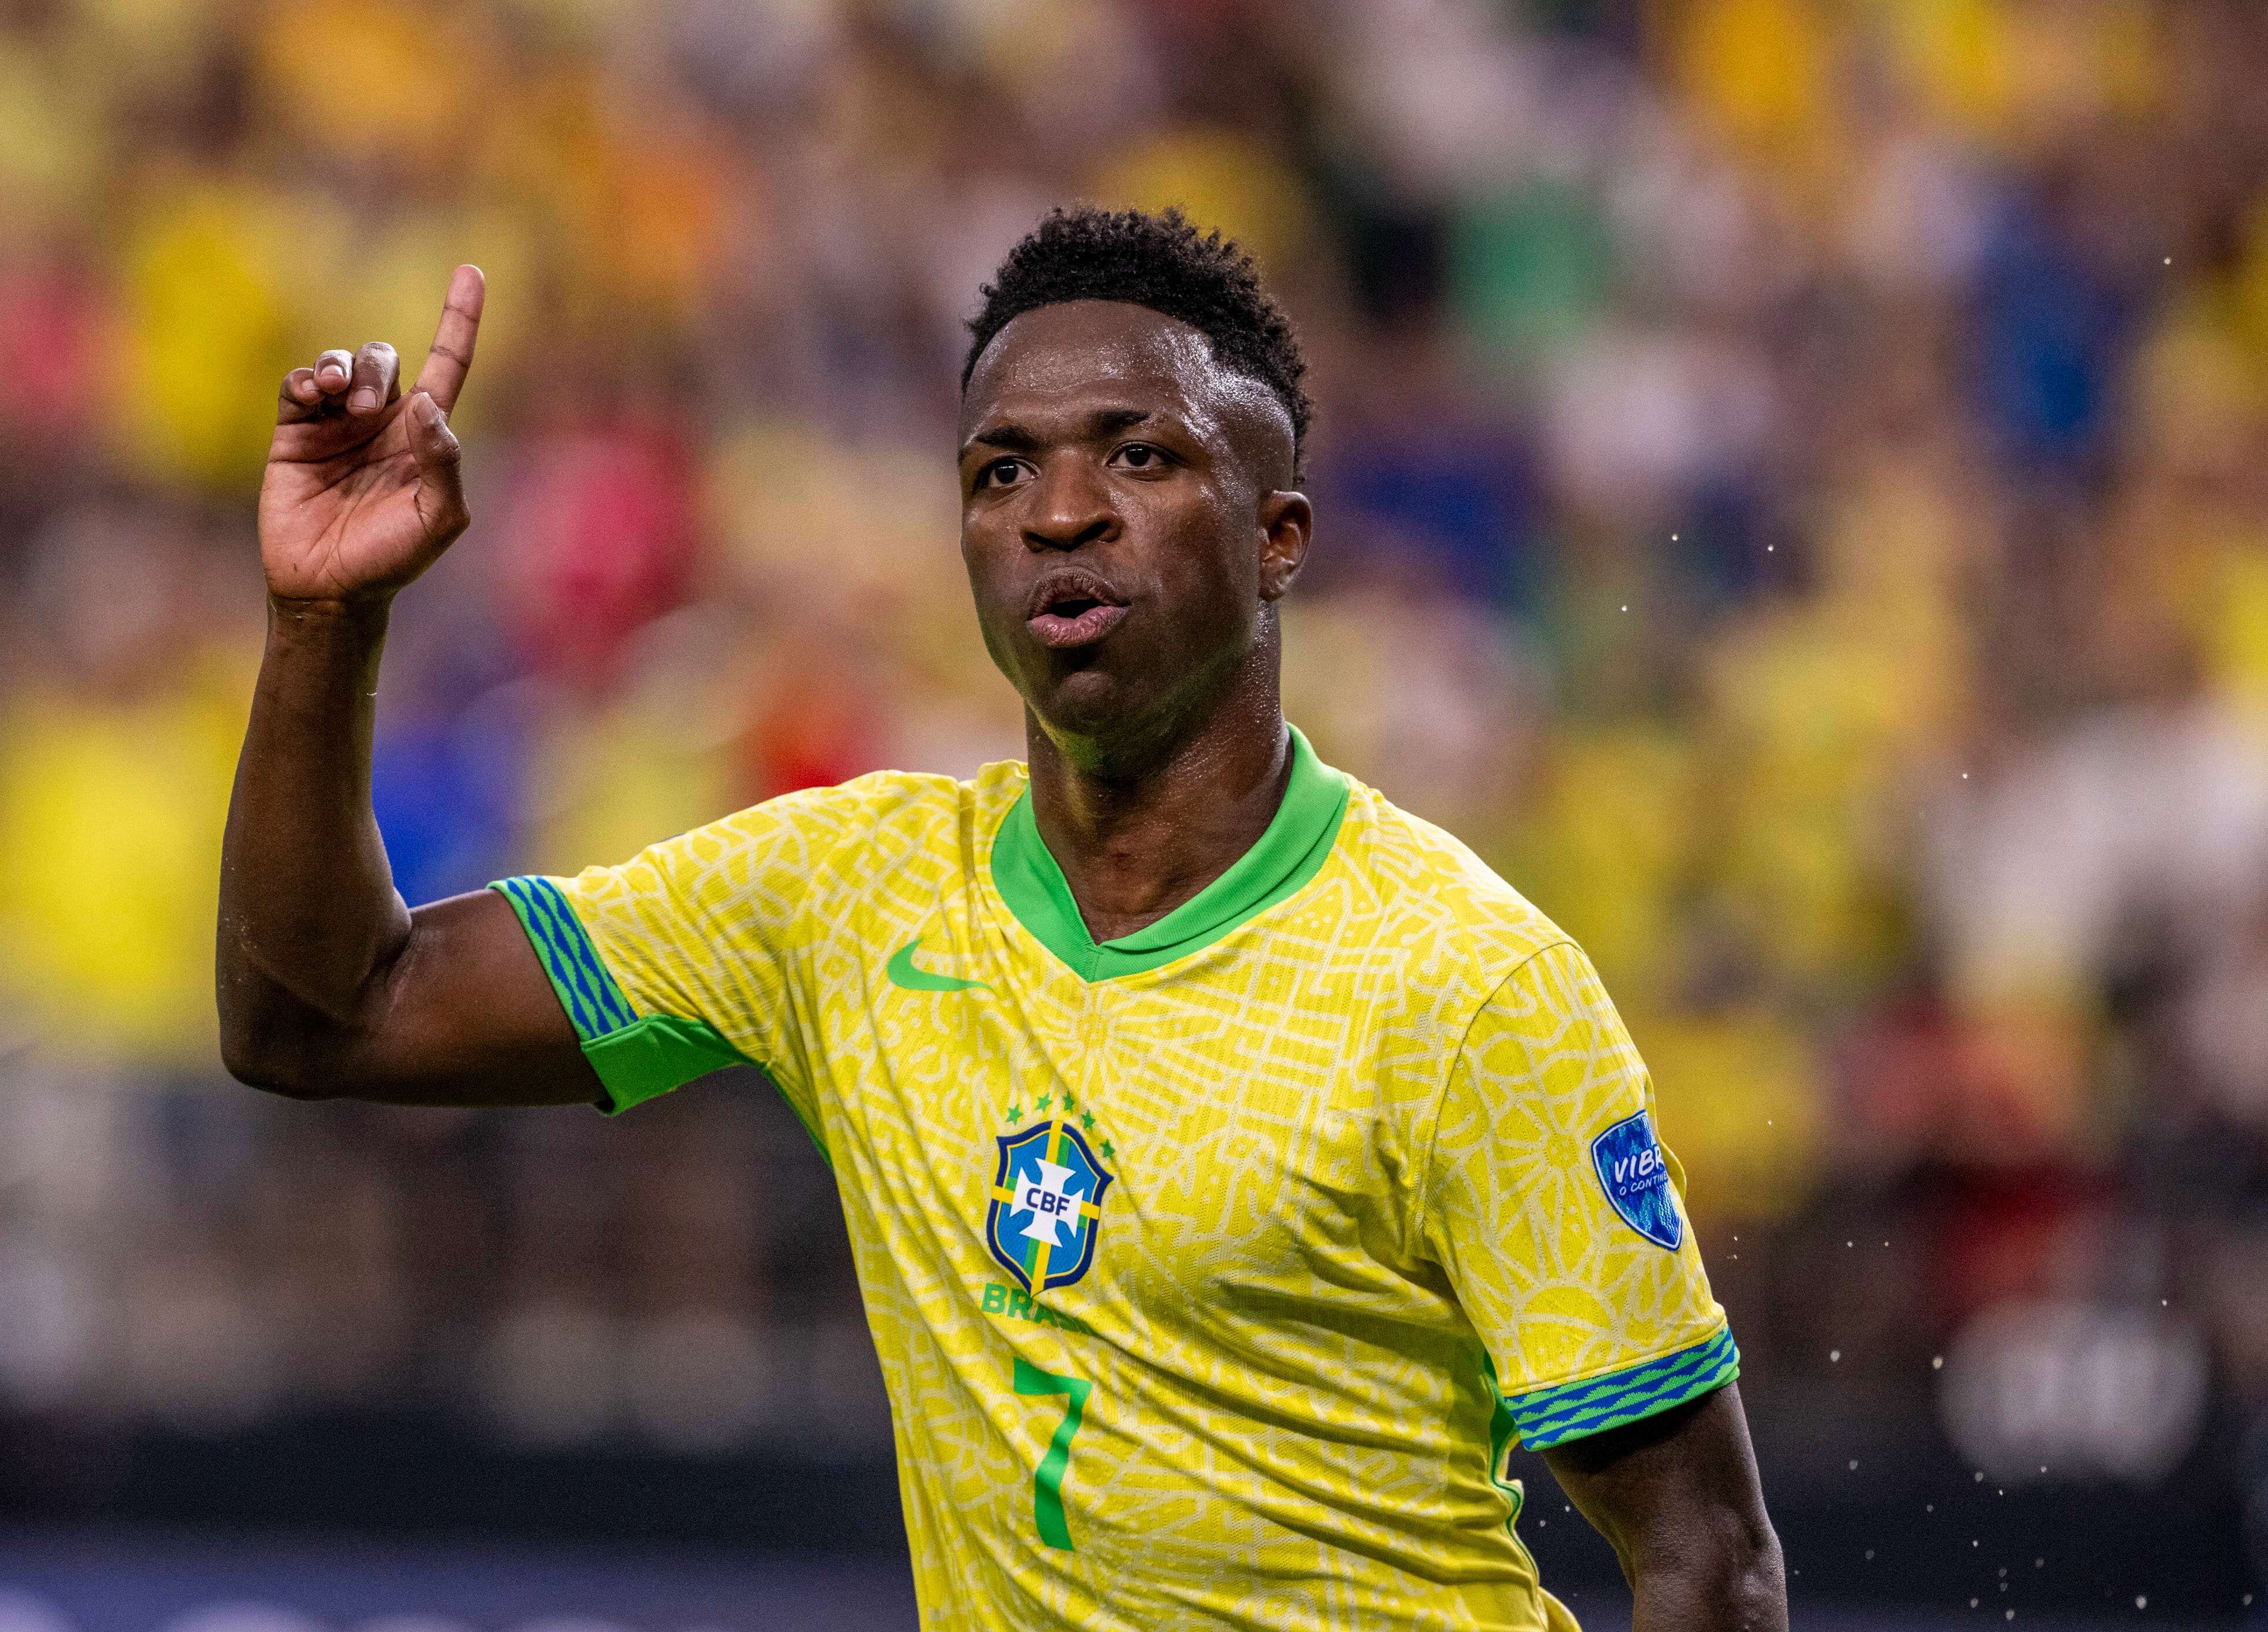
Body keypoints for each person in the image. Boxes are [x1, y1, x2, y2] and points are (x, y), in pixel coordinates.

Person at [219, 207, 1786, 1631]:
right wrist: (324, 617)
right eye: (1002, 470)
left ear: (1280, 537)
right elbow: (326, 1014)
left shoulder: (1463, 979)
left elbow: (1709, 1563)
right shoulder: (842, 896)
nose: (1061, 513)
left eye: (1143, 457)